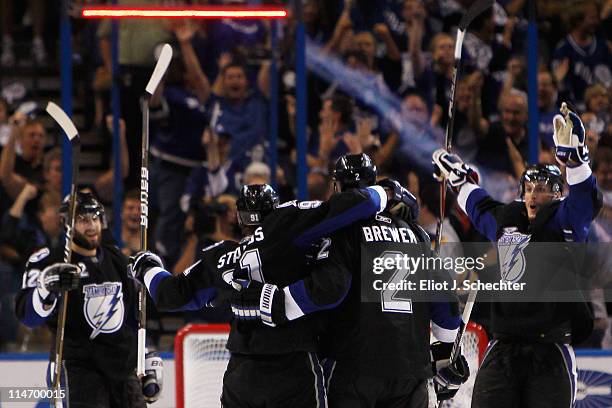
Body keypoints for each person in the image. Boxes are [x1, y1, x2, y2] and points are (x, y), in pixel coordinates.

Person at [131, 153, 397, 407]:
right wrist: (389, 193)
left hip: (241, 373)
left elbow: (169, 294)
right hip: (294, 364)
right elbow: (355, 204)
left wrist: (147, 266)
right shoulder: (287, 228)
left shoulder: (222, 256)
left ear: (238, 217)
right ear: (275, 210)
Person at [231, 154, 469, 407]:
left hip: (354, 365)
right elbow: (444, 295)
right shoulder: (415, 233)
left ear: (337, 187)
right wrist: (445, 349)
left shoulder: (339, 229)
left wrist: (277, 303)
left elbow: (329, 289)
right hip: (410, 371)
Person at [432, 102, 602, 407]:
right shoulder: (509, 218)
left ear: (558, 193)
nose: (535, 194)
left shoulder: (566, 219)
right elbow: (480, 207)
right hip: (503, 348)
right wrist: (460, 181)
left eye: (544, 188)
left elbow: (586, 201)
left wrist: (576, 162)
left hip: (550, 350)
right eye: (529, 187)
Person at [14, 192, 162, 407]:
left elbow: (131, 316)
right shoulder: (49, 260)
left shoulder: (116, 259)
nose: (91, 225)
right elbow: (27, 317)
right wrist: (45, 290)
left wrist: (145, 354)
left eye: (95, 218)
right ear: (67, 223)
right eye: (82, 219)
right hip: (78, 370)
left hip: (122, 370)